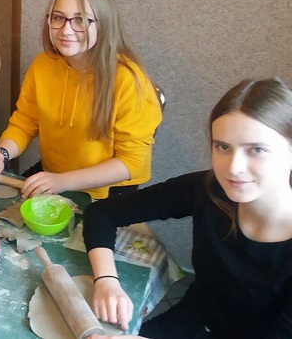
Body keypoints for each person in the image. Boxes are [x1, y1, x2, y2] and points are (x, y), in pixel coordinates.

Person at [84, 78, 292, 338]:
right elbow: (103, 213)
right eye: (223, 147)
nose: (234, 167)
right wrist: (106, 281)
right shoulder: (209, 188)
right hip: (189, 322)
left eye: (257, 150)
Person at [0, 0, 162, 199]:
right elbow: (25, 121)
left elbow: (133, 162)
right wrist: (0, 153)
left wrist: (62, 182)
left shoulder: (129, 80)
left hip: (107, 190)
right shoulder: (42, 64)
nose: (66, 30)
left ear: (104, 23)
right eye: (58, 18)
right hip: (55, 176)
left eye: (80, 20)